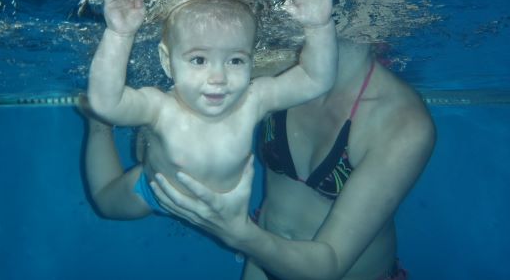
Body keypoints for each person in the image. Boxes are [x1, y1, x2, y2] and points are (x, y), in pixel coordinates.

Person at [151, 39, 436, 280]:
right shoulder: (277, 70)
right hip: (264, 260)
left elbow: (331, 261)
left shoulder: (402, 123)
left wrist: (238, 234)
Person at [85, 0, 337, 217]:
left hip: (215, 206)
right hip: (155, 191)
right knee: (106, 204)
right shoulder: (160, 108)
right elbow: (107, 104)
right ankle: (97, 128)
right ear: (167, 62)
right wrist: (119, 33)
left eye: (235, 60)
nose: (218, 78)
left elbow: (315, 79)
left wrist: (318, 27)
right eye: (199, 60)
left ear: (251, 59)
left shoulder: (252, 101)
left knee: (148, 143)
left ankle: (145, 141)